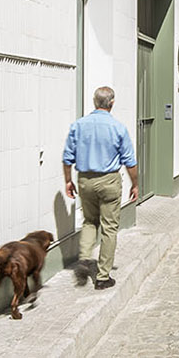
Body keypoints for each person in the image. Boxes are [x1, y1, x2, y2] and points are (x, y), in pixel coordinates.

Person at [62, 86, 138, 290]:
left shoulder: (78, 125)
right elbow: (130, 161)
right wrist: (135, 184)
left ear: (95, 102)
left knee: (89, 221)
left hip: (85, 179)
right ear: (111, 103)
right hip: (109, 180)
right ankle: (103, 277)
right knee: (109, 227)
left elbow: (67, 157)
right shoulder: (118, 128)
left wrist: (68, 181)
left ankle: (86, 257)